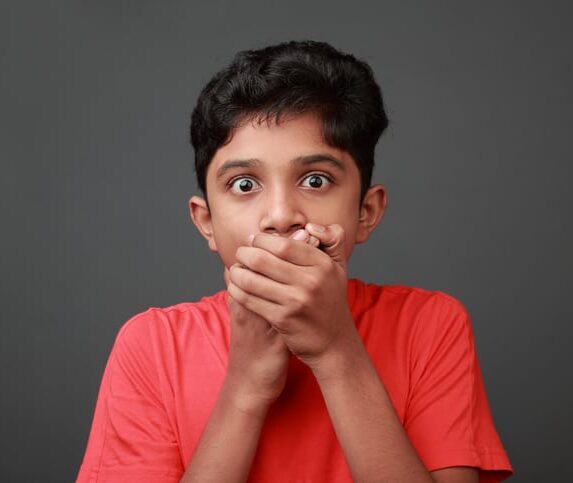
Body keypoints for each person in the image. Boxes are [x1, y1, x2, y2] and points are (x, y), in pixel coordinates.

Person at [77, 40, 513, 482]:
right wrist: (245, 386)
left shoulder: (429, 325)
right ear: (206, 222)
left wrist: (335, 349)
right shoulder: (152, 347)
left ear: (366, 212)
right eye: (245, 185)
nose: (282, 215)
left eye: (315, 179)